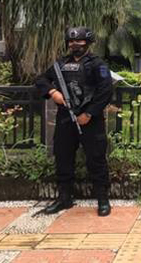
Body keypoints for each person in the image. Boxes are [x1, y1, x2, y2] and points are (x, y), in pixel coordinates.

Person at [35, 27, 113, 216]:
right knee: (63, 158)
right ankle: (64, 199)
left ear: (87, 43)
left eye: (78, 41)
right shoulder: (61, 64)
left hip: (90, 120)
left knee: (96, 159)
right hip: (66, 119)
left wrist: (89, 114)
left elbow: (105, 91)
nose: (74, 44)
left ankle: (103, 199)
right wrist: (52, 92)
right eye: (71, 41)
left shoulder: (98, 64)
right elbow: (41, 79)